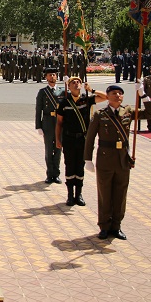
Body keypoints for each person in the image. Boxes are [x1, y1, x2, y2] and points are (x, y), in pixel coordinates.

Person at [83, 83, 151, 240]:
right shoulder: (100, 114)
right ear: (108, 97)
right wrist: (87, 159)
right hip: (104, 159)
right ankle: (104, 226)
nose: (117, 96)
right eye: (114, 93)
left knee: (120, 194)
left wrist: (143, 95)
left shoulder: (128, 111)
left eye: (120, 93)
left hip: (123, 159)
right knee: (104, 194)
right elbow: (90, 138)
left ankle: (116, 226)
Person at [55, 77, 106, 206]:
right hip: (68, 138)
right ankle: (70, 195)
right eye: (73, 83)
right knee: (70, 165)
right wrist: (57, 139)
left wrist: (92, 89)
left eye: (78, 82)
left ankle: (79, 194)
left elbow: (106, 97)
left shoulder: (86, 99)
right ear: (69, 87)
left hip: (83, 139)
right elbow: (59, 123)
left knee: (80, 166)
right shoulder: (64, 102)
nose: (76, 84)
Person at [35, 66, 63, 184]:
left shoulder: (62, 91)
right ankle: (49, 174)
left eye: (54, 75)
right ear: (46, 77)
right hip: (47, 122)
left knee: (58, 149)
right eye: (50, 75)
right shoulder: (43, 92)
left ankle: (56, 174)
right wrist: (39, 126)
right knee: (48, 149)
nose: (52, 76)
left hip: (59, 122)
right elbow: (38, 109)